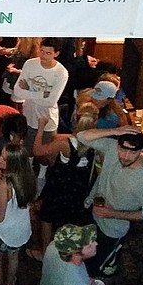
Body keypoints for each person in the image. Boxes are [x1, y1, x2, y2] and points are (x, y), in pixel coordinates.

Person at [77, 126, 143, 277]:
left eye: (133, 152)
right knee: (82, 253)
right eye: (123, 149)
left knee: (98, 267)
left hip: (112, 229)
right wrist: (114, 131)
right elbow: (82, 136)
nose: (126, 156)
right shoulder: (111, 148)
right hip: (92, 211)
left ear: (141, 151)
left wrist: (112, 213)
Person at [33, 108, 98, 257]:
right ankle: (70, 250)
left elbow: (37, 151)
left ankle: (45, 252)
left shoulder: (65, 144)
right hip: (78, 188)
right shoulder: (96, 142)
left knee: (47, 217)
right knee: (72, 219)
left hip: (60, 186)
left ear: (75, 121)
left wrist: (41, 126)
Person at [0, 143, 37, 285]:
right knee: (13, 258)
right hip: (21, 229)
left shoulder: (5, 185)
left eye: (4, 158)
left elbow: (0, 216)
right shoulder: (28, 177)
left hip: (3, 232)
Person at [12, 37, 69, 154]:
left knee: (45, 154)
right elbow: (17, 91)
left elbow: (50, 102)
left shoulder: (61, 72)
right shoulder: (30, 64)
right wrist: (42, 94)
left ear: (56, 54)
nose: (43, 56)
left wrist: (28, 91)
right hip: (28, 115)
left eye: (48, 53)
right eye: (41, 51)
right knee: (27, 151)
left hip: (48, 119)